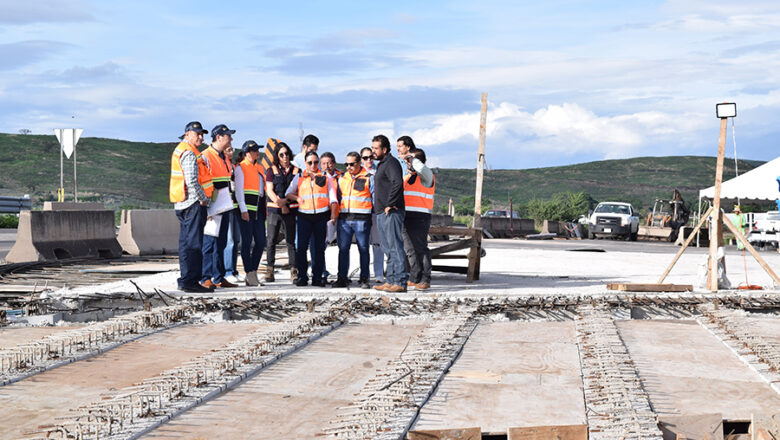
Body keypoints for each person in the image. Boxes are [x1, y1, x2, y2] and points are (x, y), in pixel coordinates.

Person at [170, 121, 214, 293]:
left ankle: (186, 279)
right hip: (192, 203)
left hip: (182, 202)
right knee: (194, 244)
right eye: (197, 134)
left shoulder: (181, 149)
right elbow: (192, 181)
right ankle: (191, 280)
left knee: (186, 243)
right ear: (188, 134)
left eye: (202, 134)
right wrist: (203, 199)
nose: (201, 137)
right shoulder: (189, 153)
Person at [285, 151, 338, 287]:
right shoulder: (299, 177)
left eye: (315, 162)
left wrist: (333, 215)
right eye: (310, 162)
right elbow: (288, 193)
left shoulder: (326, 177)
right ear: (305, 164)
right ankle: (302, 276)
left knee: (319, 249)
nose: (313, 165)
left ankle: (317, 277)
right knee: (301, 248)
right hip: (304, 216)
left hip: (321, 216)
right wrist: (297, 198)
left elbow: (333, 197)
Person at [200, 124, 238, 289]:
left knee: (221, 242)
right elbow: (203, 181)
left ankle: (219, 276)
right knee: (209, 242)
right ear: (219, 137)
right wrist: (207, 207)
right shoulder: (206, 156)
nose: (231, 139)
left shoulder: (224, 157)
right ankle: (205, 277)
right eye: (228, 136)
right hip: (212, 204)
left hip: (224, 203)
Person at [371, 134, 408, 292]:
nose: (373, 151)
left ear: (384, 149)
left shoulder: (391, 163)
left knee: (395, 246)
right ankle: (391, 280)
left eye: (376, 148)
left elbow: (397, 183)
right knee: (387, 247)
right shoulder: (381, 164)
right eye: (372, 148)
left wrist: (390, 204)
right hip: (381, 212)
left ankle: (400, 282)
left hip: (391, 211)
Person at [334, 151, 372, 289]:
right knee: (343, 249)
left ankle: (364, 278)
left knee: (363, 249)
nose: (348, 167)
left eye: (351, 164)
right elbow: (338, 198)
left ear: (359, 163)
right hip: (344, 219)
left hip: (362, 219)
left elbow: (374, 197)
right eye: (346, 164)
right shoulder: (342, 178)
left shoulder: (369, 177)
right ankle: (342, 278)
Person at [264, 142, 299, 282]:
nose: (285, 157)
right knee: (271, 240)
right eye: (281, 155)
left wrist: (286, 204)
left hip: (290, 211)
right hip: (274, 211)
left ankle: (293, 271)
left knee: (290, 241)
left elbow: (297, 190)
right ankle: (269, 270)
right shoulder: (271, 170)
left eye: (287, 154)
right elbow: (269, 190)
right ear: (277, 157)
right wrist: (280, 203)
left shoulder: (297, 171)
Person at [401, 148, 434, 290]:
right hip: (406, 215)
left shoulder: (427, 175)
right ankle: (414, 277)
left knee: (421, 248)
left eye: (412, 160)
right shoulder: (407, 177)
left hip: (421, 216)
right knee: (410, 250)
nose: (409, 162)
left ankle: (425, 278)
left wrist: (412, 159)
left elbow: (421, 167)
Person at [235, 140, 267, 286]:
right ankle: (249, 272)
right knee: (247, 242)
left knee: (261, 241)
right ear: (247, 153)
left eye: (257, 150)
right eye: (254, 151)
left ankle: (253, 271)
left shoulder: (259, 168)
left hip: (259, 207)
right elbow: (239, 190)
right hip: (246, 208)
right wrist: (243, 209)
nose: (257, 153)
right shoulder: (240, 168)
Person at [361, 147, 384, 284]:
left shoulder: (380, 170)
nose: (369, 160)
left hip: (376, 212)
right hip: (362, 213)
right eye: (365, 158)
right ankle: (364, 274)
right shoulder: (358, 172)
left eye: (371, 157)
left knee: (377, 244)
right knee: (363, 245)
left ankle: (379, 273)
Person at [223, 143, 243, 284]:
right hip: (226, 207)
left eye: (232, 150)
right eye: (229, 150)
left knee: (236, 240)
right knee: (229, 241)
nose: (231, 152)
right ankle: (227, 270)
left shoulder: (232, 166)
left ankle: (234, 270)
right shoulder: (223, 165)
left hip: (234, 206)